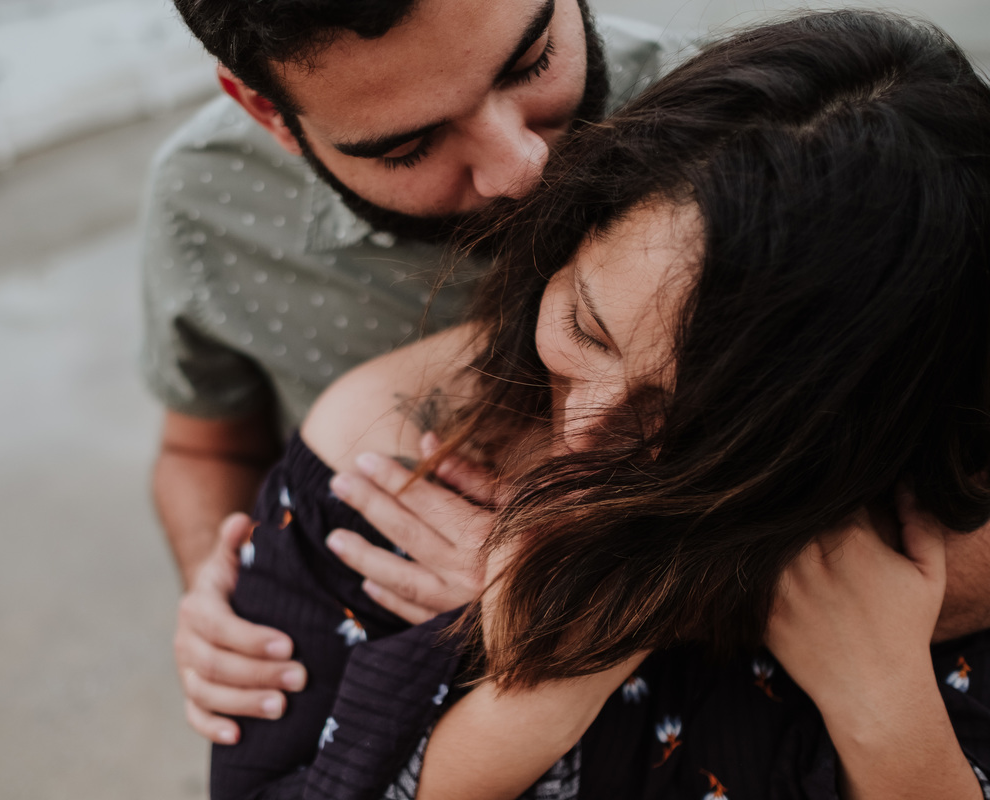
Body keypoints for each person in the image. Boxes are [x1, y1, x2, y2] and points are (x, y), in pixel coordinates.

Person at [210, 9, 990, 798]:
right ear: (571, 230)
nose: (583, 435)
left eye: (690, 417)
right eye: (586, 325)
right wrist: (551, 674)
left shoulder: (938, 555)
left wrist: (887, 713)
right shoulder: (386, 455)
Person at [142, 0, 698, 743]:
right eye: (407, 147)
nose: (520, 168)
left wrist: (586, 602)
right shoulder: (206, 202)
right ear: (267, 113)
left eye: (532, 62)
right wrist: (228, 596)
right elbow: (204, 446)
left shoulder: (729, 122)